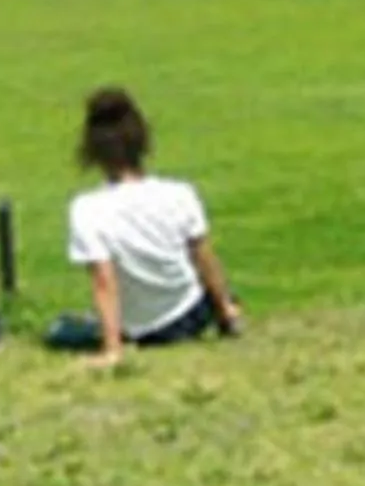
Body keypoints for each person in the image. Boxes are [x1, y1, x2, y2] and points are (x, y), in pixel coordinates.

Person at [58, 87, 243, 369]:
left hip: (134, 328)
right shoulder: (180, 194)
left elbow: (104, 281)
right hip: (187, 316)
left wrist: (112, 348)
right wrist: (225, 311)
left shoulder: (86, 209)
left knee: (62, 328)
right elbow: (204, 259)